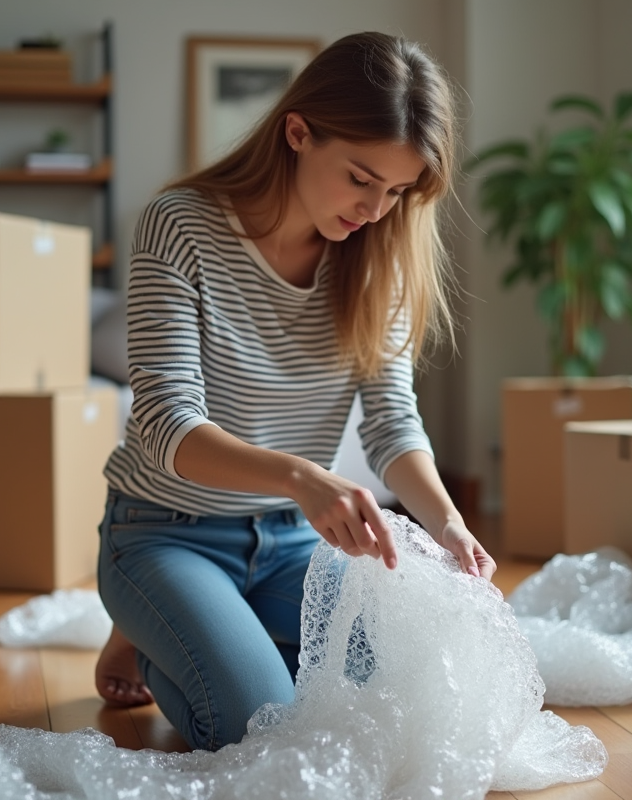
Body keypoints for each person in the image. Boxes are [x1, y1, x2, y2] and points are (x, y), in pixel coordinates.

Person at [94, 30, 496, 752]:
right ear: (299, 132)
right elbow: (165, 422)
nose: (375, 210)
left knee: (402, 685)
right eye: (361, 178)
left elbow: (392, 423)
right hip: (165, 530)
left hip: (288, 540)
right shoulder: (179, 224)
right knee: (262, 729)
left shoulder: (377, 255)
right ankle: (149, 629)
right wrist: (302, 478)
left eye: (397, 191)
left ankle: (201, 625)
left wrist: (449, 524)